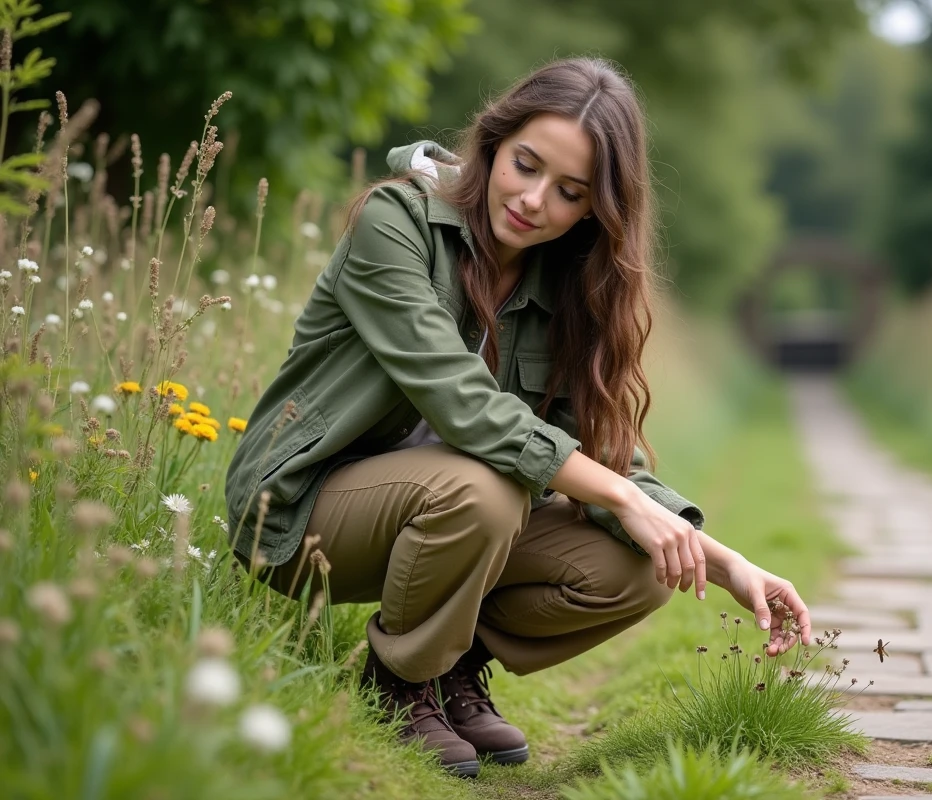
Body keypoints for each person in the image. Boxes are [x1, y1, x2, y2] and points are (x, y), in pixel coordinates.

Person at [224, 57, 813, 778]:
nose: (534, 201)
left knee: (644, 566)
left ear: (595, 208)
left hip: (447, 517)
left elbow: (603, 452)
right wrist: (622, 497)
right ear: (494, 142)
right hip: (301, 513)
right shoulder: (397, 223)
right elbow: (462, 405)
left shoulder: (566, 283)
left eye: (568, 193)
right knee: (487, 485)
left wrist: (724, 562)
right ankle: (397, 682)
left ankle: (449, 668)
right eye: (525, 165)